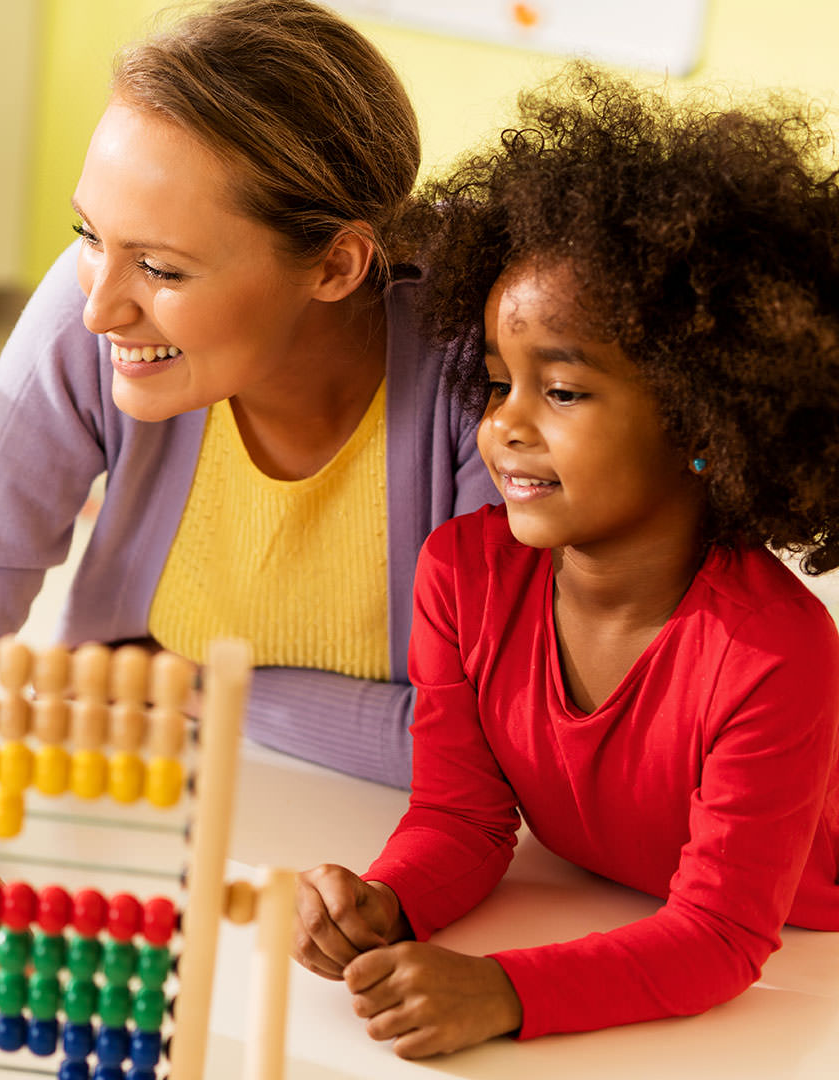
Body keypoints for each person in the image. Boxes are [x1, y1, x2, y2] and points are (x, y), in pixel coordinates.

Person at [0, 0, 495, 1022]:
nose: (102, 305)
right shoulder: (87, 315)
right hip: (142, 834)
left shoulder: (474, 381)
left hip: (384, 878)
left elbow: (498, 748)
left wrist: (187, 688)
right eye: (90, 234)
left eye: (164, 269)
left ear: (338, 264)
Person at [293, 69, 839, 1057]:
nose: (503, 426)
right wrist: (387, 901)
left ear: (699, 421)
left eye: (564, 393)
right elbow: (460, 819)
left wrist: (501, 992)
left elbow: (720, 934)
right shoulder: (460, 575)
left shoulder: (771, 650)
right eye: (500, 383)